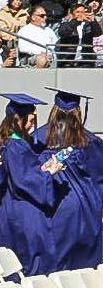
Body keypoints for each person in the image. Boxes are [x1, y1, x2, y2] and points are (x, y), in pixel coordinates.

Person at [0, 92, 67, 275]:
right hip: (19, 213)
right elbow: (24, 181)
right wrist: (49, 173)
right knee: (25, 263)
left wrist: (43, 169)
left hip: (9, 210)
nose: (32, 126)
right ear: (18, 120)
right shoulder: (15, 146)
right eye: (30, 120)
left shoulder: (7, 142)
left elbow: (24, 173)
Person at [32, 89, 103, 273]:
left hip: (49, 208)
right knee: (83, 269)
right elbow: (99, 177)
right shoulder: (88, 141)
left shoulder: (37, 138)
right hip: (82, 210)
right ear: (78, 112)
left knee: (53, 265)